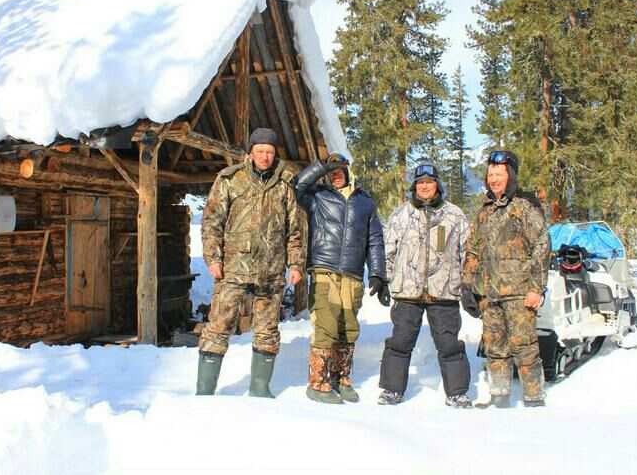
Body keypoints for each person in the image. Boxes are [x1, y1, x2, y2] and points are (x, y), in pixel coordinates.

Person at [196, 127, 304, 398]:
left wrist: (296, 264)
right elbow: (212, 222)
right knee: (218, 327)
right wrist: (213, 258)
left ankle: (260, 388)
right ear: (251, 152)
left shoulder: (285, 183)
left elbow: (295, 229)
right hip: (233, 268)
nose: (265, 156)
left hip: (271, 271)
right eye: (260, 151)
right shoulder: (230, 179)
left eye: (269, 151)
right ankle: (204, 391)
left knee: (267, 331)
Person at [377, 161, 473, 408]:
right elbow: (388, 250)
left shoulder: (455, 215)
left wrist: (468, 284)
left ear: (437, 185)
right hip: (408, 290)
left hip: (444, 291)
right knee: (400, 342)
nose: (425, 187)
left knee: (450, 344)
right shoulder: (400, 215)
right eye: (420, 183)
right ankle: (391, 389)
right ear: (414, 187)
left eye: (429, 182)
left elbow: (468, 252)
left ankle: (457, 392)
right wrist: (386, 280)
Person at [294, 153, 387, 404]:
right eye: (331, 171)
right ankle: (318, 383)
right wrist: (322, 166)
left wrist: (378, 274)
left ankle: (341, 378)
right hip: (324, 271)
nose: (335, 175)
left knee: (348, 328)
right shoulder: (318, 198)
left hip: (353, 274)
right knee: (326, 325)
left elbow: (375, 240)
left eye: (339, 170)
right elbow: (297, 185)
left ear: (348, 173)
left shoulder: (365, 203)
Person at [461, 150, 550, 408]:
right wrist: (468, 286)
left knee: (524, 347)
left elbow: (542, 247)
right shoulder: (484, 211)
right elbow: (473, 250)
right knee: (494, 348)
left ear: (510, 176)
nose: (494, 180)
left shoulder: (524, 206)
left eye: (499, 175)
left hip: (519, 293)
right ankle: (499, 396)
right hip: (489, 294)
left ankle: (534, 397)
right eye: (490, 175)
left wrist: (537, 288)